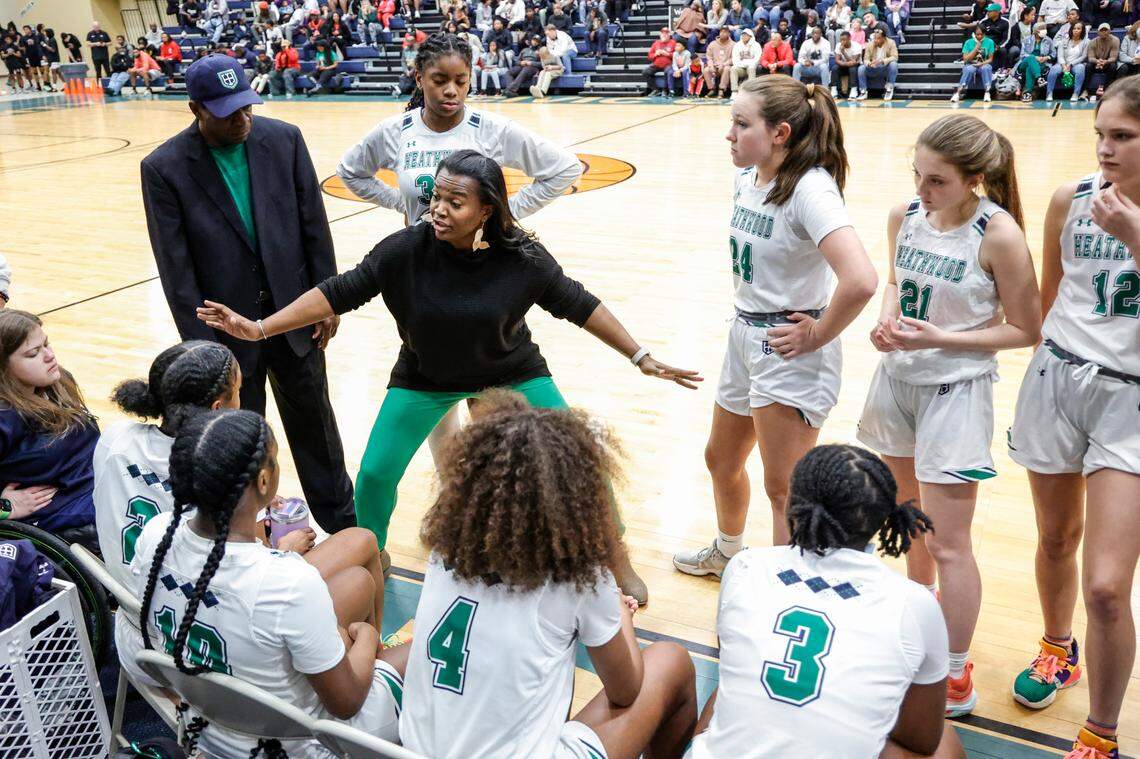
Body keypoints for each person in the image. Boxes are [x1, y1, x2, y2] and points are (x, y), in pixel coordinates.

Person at [199, 150, 702, 606]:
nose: (438, 208)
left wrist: (641, 356)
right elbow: (339, 290)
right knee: (375, 475)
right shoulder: (403, 250)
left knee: (580, 464)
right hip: (425, 376)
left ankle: (616, 559)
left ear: (487, 211)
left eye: (455, 201)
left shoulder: (522, 259)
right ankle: (367, 556)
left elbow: (579, 304)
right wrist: (259, 327)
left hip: (510, 372)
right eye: (436, 196)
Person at [859, 114, 1040, 718]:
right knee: (907, 518)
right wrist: (887, 322)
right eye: (917, 174)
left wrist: (942, 337)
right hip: (898, 382)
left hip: (955, 393)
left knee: (949, 544)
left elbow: (1026, 329)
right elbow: (893, 282)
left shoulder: (999, 234)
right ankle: (917, 630)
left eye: (936, 181)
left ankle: (955, 672)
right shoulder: (905, 216)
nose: (921, 190)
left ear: (974, 179)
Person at [399, 394, 699, 758]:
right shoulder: (578, 579)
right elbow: (626, 691)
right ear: (575, 495)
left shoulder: (444, 552)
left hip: (413, 752)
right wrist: (620, 616)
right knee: (671, 662)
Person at [336, 31, 582, 462]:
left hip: (484, 273)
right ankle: (455, 497)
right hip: (422, 273)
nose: (451, 91)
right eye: (439, 80)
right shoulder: (395, 132)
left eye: (461, 81)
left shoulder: (490, 129)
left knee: (489, 420)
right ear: (419, 78)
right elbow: (351, 172)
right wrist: (402, 204)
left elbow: (563, 169)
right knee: (436, 406)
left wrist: (504, 215)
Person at [140, 55, 358, 540]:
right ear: (195, 108)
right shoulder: (164, 168)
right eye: (227, 113)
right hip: (227, 335)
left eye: (247, 107)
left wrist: (328, 299)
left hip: (294, 316)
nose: (242, 119)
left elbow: (313, 226)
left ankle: (344, 530)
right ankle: (249, 544)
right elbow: (176, 271)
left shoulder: (284, 139)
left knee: (317, 431)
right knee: (240, 444)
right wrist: (207, 351)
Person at [672, 77, 877, 577]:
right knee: (720, 459)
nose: (730, 134)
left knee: (783, 487)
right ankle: (728, 551)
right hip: (745, 334)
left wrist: (819, 333)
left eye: (742, 124)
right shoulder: (751, 176)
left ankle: (788, 588)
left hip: (788, 346)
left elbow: (862, 280)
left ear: (780, 132)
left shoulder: (811, 190)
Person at [131, 409, 406, 757]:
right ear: (263, 481)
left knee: (356, 579)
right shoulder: (287, 581)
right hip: (303, 744)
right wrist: (367, 639)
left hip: (207, 728)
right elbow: (346, 703)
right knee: (423, 653)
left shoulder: (156, 532)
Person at [1007, 76, 1140, 759]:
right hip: (1059, 378)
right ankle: (1058, 648)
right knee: (1056, 539)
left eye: (1122, 136)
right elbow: (1047, 302)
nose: (1105, 149)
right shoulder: (1071, 199)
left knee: (1109, 586)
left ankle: (1102, 733)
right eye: (1100, 134)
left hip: (1131, 399)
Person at [687, 445, 965, 758]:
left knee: (726, 693)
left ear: (792, 505)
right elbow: (921, 740)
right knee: (945, 745)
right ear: (884, 519)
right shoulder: (916, 604)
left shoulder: (744, 566)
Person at [0, 310, 99, 552]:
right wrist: (3, 508)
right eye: (33, 353)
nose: (49, 355)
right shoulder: (4, 418)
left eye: (46, 344)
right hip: (70, 523)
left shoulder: (58, 381)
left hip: (102, 490)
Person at [952, 26, 996, 102]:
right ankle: (958, 93)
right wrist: (976, 48)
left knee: (986, 68)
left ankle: (987, 92)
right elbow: (965, 59)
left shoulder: (990, 42)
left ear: (984, 34)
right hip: (970, 64)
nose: (979, 36)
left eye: (982, 34)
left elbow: (990, 59)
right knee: (969, 69)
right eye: (977, 34)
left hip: (983, 64)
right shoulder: (968, 42)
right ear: (974, 34)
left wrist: (981, 63)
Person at [1046, 21, 1087, 102]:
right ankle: (1049, 93)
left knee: (1081, 68)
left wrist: (1071, 64)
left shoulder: (1086, 42)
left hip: (1076, 64)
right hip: (1062, 63)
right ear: (1071, 30)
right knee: (1054, 69)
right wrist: (1064, 66)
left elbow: (1083, 57)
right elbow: (1060, 55)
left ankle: (1075, 93)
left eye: (1078, 29)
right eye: (1074, 28)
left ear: (1082, 30)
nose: (1076, 30)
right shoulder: (1064, 41)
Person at [856, 26, 899, 100]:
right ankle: (863, 91)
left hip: (885, 68)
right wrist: (870, 63)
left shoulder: (891, 42)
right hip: (873, 68)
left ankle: (889, 89)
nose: (876, 40)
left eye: (878, 38)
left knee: (894, 64)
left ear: (884, 38)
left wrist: (882, 61)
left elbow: (895, 57)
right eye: (875, 38)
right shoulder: (870, 44)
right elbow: (865, 59)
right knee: (861, 68)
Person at [1015, 22, 1054, 100]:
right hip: (1024, 63)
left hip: (1041, 64)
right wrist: (1035, 58)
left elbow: (1054, 53)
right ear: (1035, 31)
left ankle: (1027, 93)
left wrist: (1047, 57)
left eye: (1044, 28)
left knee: (1030, 69)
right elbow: (1022, 54)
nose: (1044, 30)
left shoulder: (1048, 40)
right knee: (1031, 58)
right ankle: (1039, 78)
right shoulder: (1027, 39)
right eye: (1041, 29)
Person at [1086, 23, 1120, 102]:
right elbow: (1090, 58)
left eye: (1106, 30)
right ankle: (1085, 90)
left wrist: (1105, 62)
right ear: (1098, 32)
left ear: (1110, 31)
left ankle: (1106, 90)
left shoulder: (1115, 40)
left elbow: (1113, 57)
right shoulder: (1092, 42)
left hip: (1107, 63)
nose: (1104, 32)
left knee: (1113, 66)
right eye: (1102, 30)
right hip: (1096, 63)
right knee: (1088, 65)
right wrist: (1098, 61)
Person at [645, 26, 676, 94]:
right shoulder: (656, 43)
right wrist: (655, 54)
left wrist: (667, 54)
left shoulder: (673, 43)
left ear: (669, 35)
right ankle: (655, 89)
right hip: (656, 65)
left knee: (668, 71)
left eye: (666, 33)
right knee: (646, 72)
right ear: (660, 34)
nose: (664, 34)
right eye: (663, 33)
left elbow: (677, 55)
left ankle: (665, 90)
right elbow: (649, 56)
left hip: (668, 64)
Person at [831, 28, 862, 97]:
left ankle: (854, 90)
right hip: (844, 65)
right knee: (834, 68)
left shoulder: (857, 46)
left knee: (852, 69)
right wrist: (845, 64)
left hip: (856, 66)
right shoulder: (838, 45)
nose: (842, 42)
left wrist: (844, 52)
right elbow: (837, 60)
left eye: (844, 40)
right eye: (841, 40)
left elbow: (854, 62)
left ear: (849, 38)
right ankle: (834, 89)